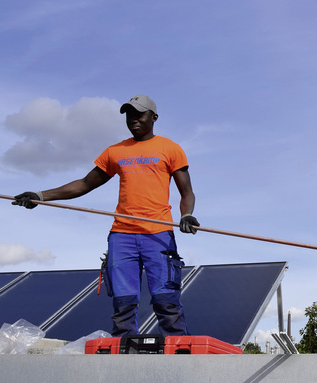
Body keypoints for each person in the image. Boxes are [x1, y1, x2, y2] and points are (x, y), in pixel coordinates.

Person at [13, 94, 200, 338]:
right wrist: (40, 195)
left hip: (158, 234)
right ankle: (124, 348)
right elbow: (83, 184)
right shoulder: (115, 152)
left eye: (139, 114)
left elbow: (187, 192)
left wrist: (186, 215)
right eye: (129, 114)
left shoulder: (170, 149)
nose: (133, 119)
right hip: (122, 235)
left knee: (165, 298)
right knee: (123, 300)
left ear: (154, 118)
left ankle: (178, 348)